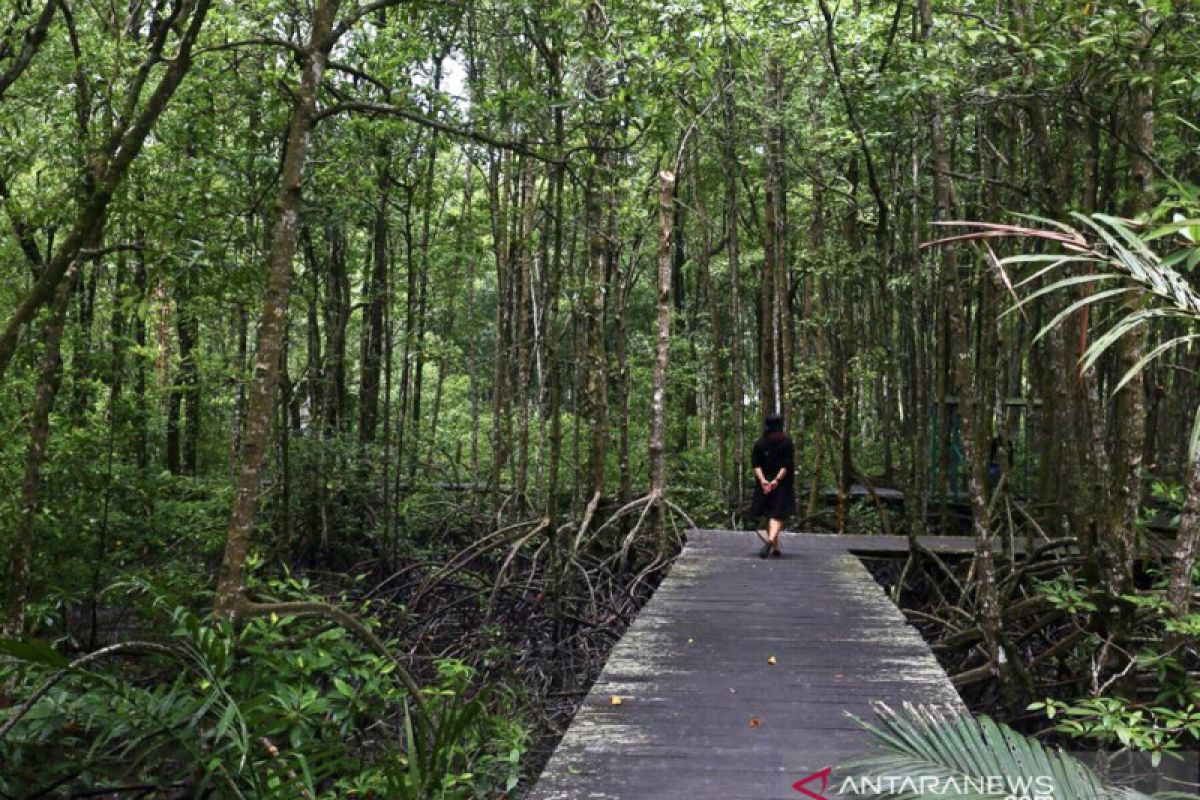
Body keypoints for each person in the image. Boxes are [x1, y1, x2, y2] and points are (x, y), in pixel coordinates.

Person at [751, 412, 796, 558]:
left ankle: (773, 545)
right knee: (776, 514)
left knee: (774, 514)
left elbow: (784, 465)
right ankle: (772, 542)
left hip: (774, 483)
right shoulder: (782, 442)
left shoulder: (762, 443)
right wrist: (768, 481)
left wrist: (769, 481)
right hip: (777, 484)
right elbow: (785, 465)